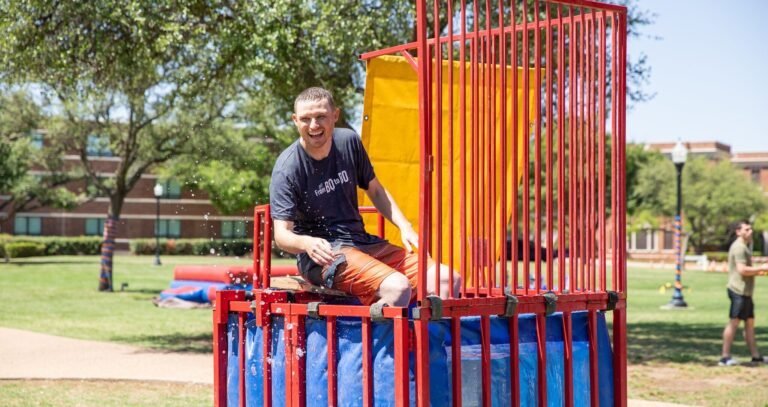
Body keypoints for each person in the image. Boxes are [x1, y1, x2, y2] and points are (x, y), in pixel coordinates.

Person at [269, 87, 460, 307]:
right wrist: (306, 242)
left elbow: (376, 190)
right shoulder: (288, 168)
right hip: (325, 256)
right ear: (295, 120)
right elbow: (281, 235)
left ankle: (428, 341)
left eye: (321, 116)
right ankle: (385, 338)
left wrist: (404, 226)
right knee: (398, 287)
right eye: (305, 119)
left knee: (447, 279)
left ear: (335, 115)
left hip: (362, 243)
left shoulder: (349, 142)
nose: (314, 126)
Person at [719, 220, 768, 366]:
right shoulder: (739, 247)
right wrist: (762, 269)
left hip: (746, 292)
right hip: (738, 291)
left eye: (751, 229)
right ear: (738, 232)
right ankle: (725, 357)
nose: (750, 231)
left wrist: (761, 271)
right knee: (734, 322)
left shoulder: (745, 247)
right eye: (746, 229)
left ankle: (755, 356)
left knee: (749, 323)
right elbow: (742, 270)